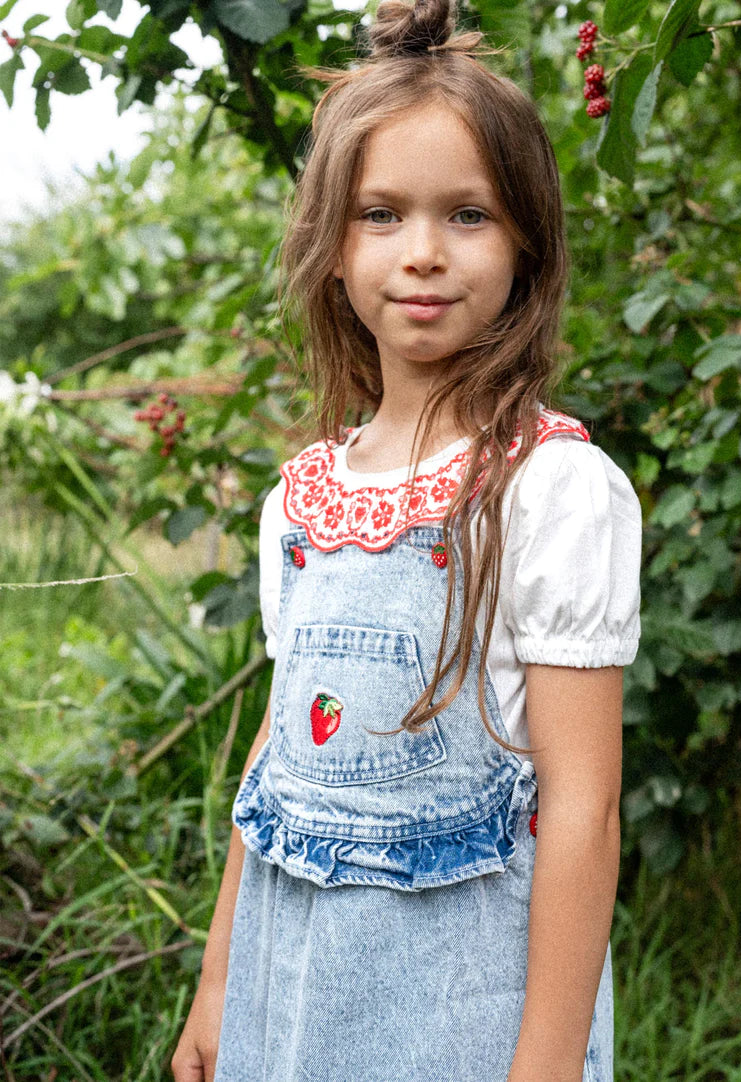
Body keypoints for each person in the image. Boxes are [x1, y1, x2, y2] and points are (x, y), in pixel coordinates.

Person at [171, 0, 642, 1078]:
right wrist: (218, 980)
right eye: (381, 214)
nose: (422, 253)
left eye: (467, 214)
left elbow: (583, 806)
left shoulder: (552, 490)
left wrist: (546, 1065)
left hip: (463, 1008)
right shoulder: (303, 497)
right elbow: (281, 755)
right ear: (330, 247)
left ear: (525, 237)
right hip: (295, 993)